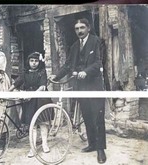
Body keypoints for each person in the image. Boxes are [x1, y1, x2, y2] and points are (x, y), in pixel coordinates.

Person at [49, 18, 107, 164]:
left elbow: (99, 63)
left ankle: (100, 149)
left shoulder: (96, 41)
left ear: (88, 28)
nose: (79, 31)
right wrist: (56, 76)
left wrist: (86, 71)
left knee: (97, 117)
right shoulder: (74, 46)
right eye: (77, 28)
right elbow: (68, 65)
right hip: (80, 86)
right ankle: (92, 144)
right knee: (87, 116)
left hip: (94, 85)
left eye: (82, 27)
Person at [9, 52, 54, 158]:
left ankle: (44, 144)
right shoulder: (25, 73)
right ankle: (33, 147)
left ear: (39, 62)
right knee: (32, 125)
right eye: (31, 61)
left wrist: (33, 95)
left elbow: (42, 87)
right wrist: (7, 92)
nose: (34, 63)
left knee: (43, 123)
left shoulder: (42, 72)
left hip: (41, 99)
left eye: (36, 61)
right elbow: (16, 83)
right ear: (28, 62)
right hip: (29, 101)